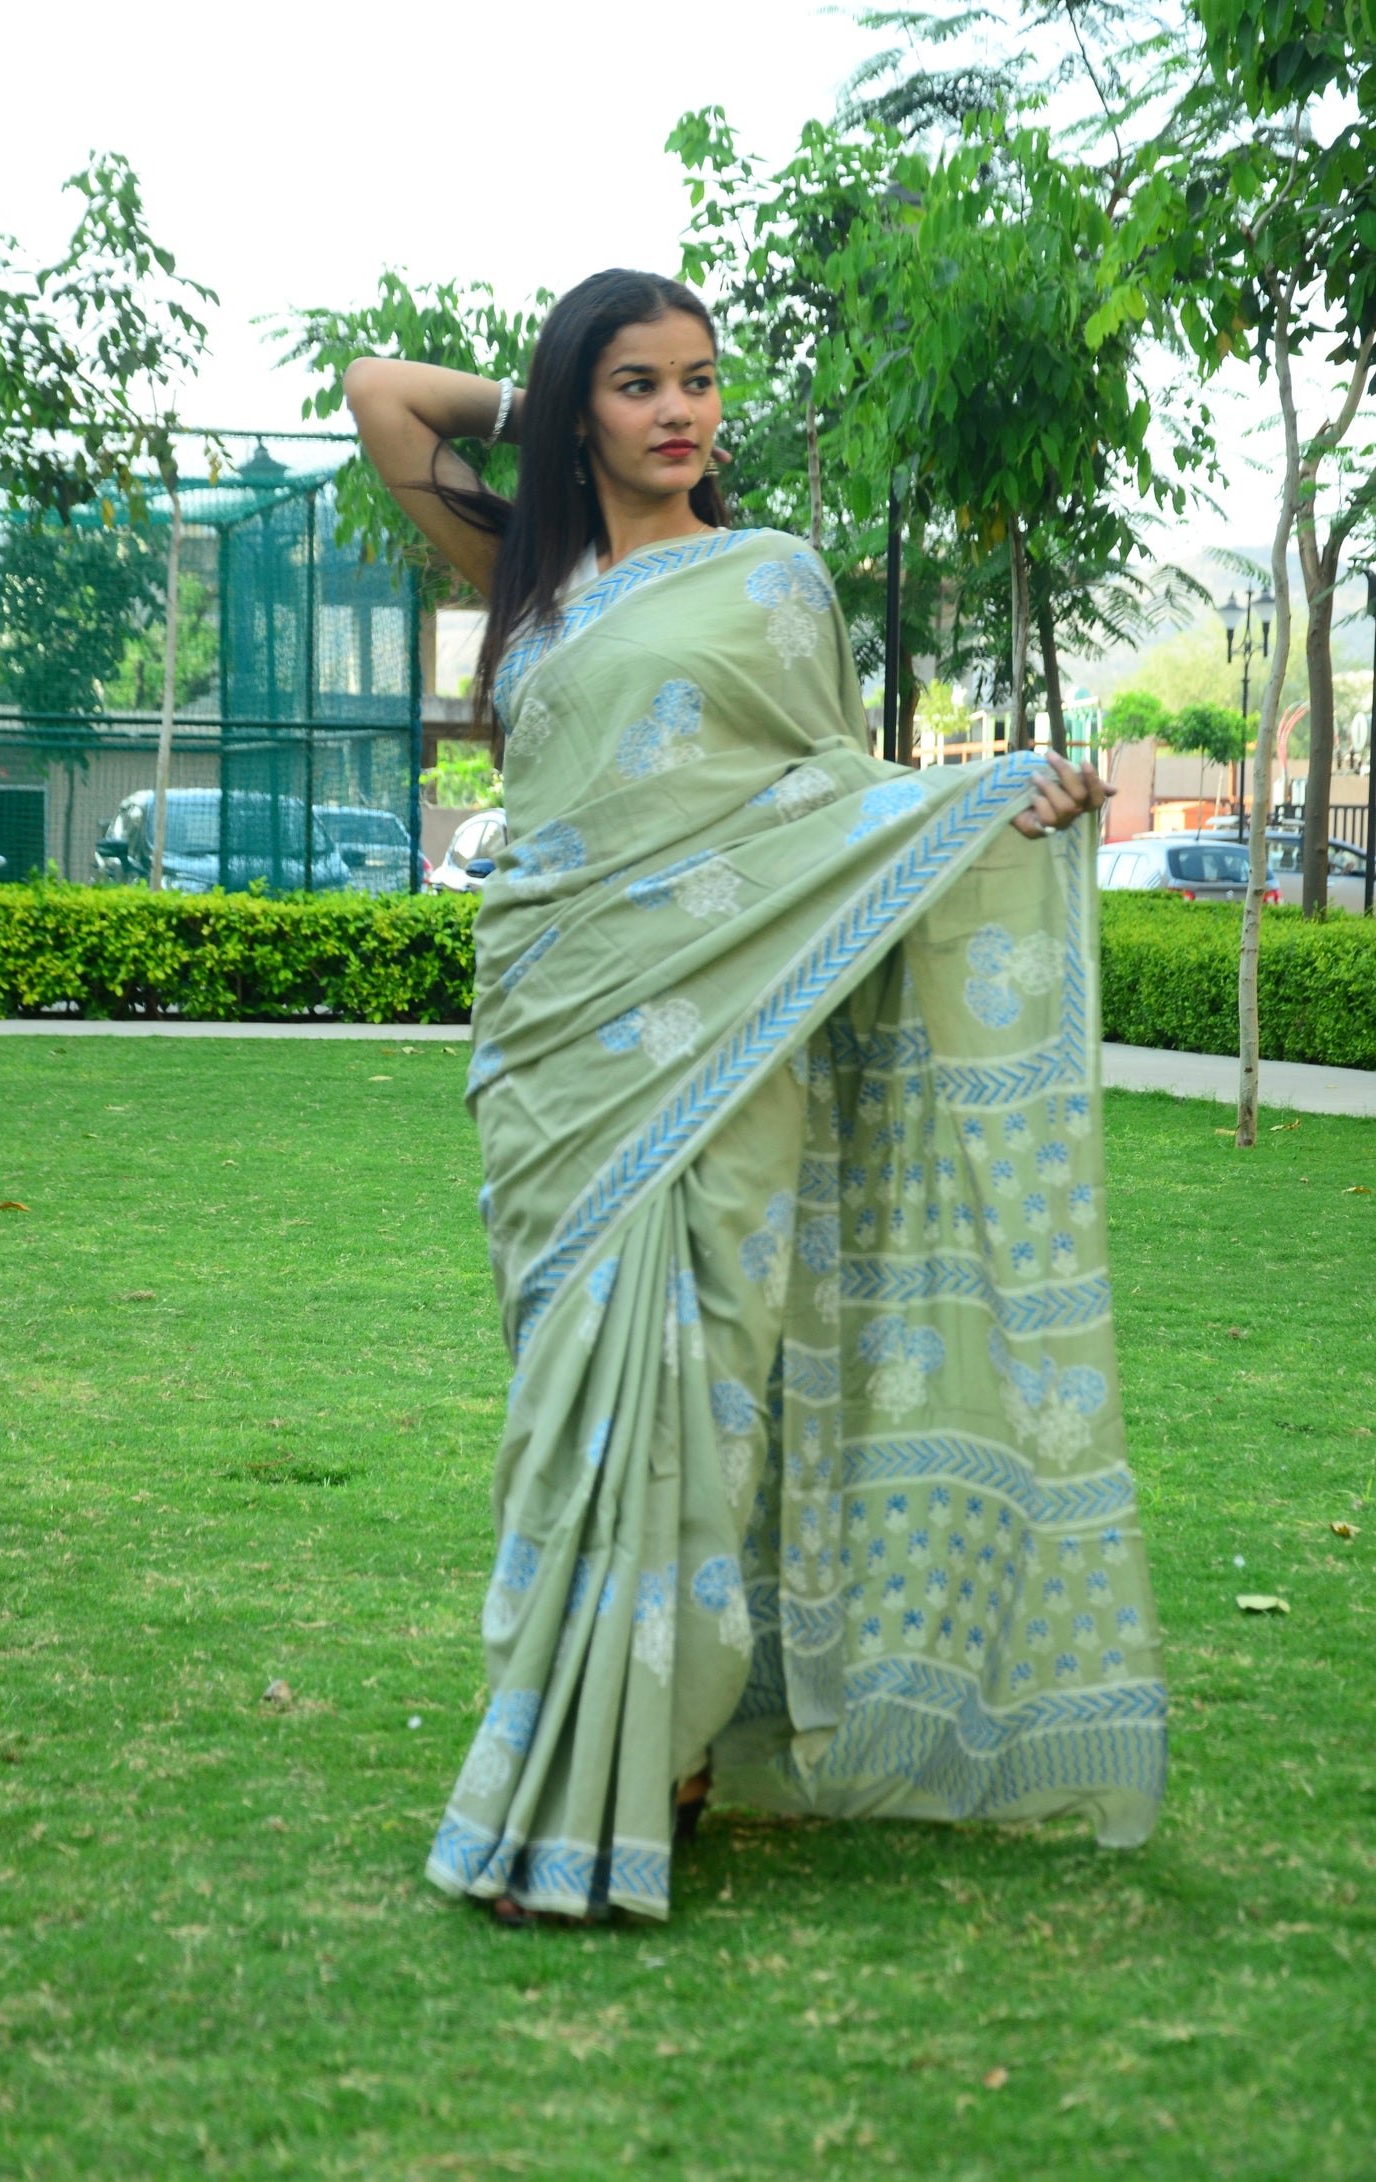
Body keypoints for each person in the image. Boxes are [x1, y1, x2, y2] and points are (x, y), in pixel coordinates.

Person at [345, 269, 1165, 1926]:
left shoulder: (769, 579)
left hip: (726, 1039)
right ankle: (593, 1736)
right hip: (557, 1043)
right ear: (581, 405)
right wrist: (546, 405)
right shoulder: (533, 581)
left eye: (700, 382)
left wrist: (985, 803)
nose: (679, 412)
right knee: (563, 1404)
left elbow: (830, 796)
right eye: (637, 383)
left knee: (701, 1381)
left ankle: (649, 1762)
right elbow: (382, 392)